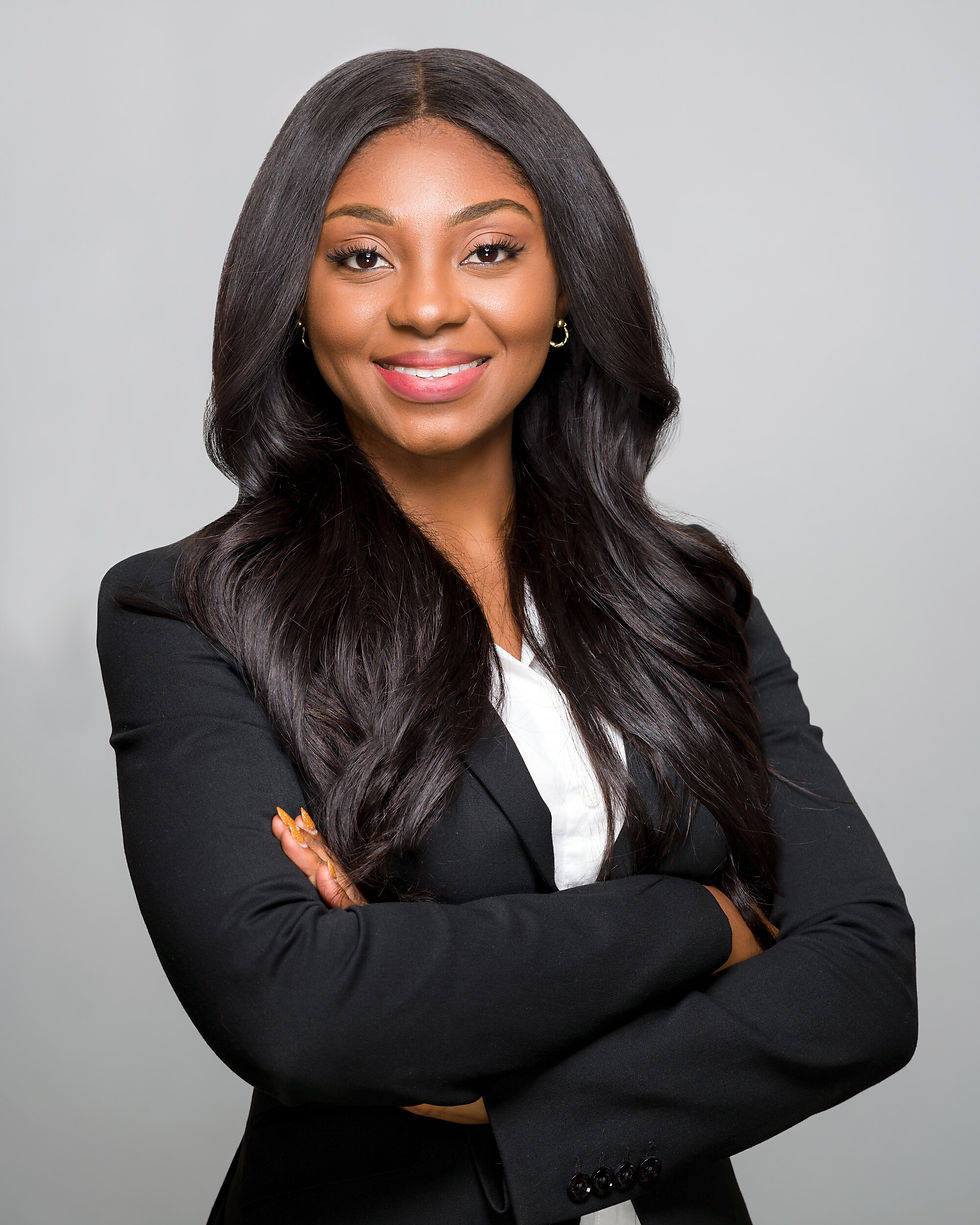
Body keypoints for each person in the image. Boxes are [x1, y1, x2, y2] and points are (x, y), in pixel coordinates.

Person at [96, 47, 917, 1225]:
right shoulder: (190, 608)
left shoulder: (688, 596)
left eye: (489, 249)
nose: (427, 304)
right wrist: (704, 919)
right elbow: (299, 1007)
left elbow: (860, 981)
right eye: (361, 256)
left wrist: (516, 1105)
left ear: (565, 291)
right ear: (296, 294)